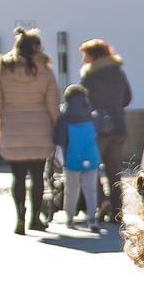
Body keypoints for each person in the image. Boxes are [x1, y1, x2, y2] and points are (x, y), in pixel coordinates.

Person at [0, 27, 59, 234]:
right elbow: (53, 104)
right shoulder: (45, 69)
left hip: (12, 131)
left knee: (17, 177)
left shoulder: (3, 69)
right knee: (38, 177)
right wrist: (59, 128)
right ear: (36, 47)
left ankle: (20, 216)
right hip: (40, 131)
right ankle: (35, 218)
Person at [79, 39, 132, 222]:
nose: (84, 59)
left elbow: (82, 102)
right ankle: (117, 212)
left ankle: (102, 201)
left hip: (96, 129)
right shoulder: (118, 72)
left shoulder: (90, 75)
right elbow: (127, 98)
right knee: (115, 171)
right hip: (118, 127)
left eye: (85, 55)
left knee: (90, 168)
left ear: (93, 55)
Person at [53, 84, 111, 232]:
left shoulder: (64, 119)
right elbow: (104, 129)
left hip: (71, 158)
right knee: (91, 190)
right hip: (91, 157)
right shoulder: (93, 116)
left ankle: (70, 218)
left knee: (71, 190)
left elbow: (58, 139)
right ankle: (92, 219)